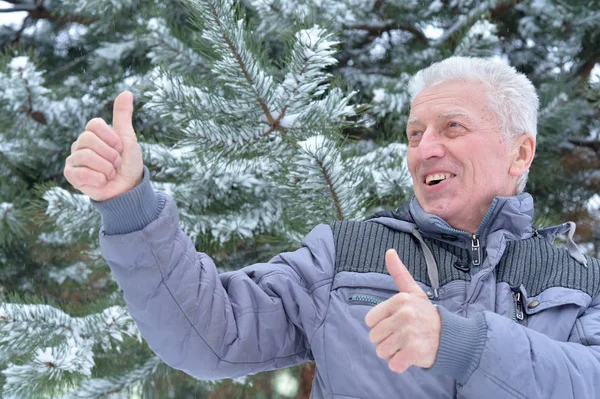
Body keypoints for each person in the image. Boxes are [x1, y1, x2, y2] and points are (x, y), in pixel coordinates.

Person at [64, 56, 600, 398]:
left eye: (452, 127)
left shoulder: (580, 284)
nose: (425, 149)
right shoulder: (344, 256)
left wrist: (462, 344)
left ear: (520, 152)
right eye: (414, 134)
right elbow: (210, 334)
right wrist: (129, 203)